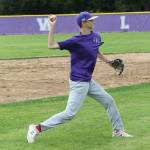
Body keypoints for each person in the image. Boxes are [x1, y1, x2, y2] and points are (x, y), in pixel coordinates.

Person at [27, 11, 133, 144]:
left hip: (88, 81)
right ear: (84, 22)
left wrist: (109, 63)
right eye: (91, 20)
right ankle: (36, 128)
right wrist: (52, 26)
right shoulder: (75, 41)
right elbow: (51, 45)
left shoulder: (96, 36)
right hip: (78, 82)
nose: (93, 21)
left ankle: (118, 131)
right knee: (69, 114)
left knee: (109, 101)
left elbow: (96, 51)